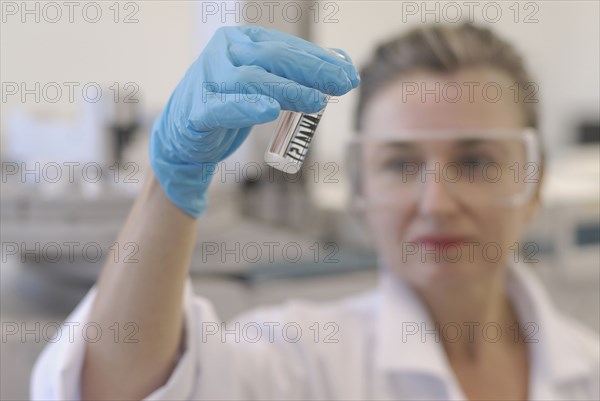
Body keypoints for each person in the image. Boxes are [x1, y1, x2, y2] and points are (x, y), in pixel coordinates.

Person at [31, 24, 599, 400]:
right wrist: (169, 182)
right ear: (358, 185)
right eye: (400, 165)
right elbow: (108, 387)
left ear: (535, 181)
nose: (436, 203)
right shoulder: (299, 360)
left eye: (475, 163)